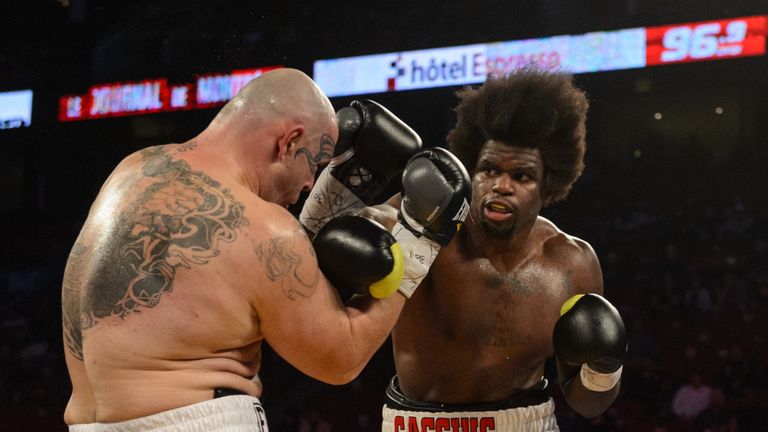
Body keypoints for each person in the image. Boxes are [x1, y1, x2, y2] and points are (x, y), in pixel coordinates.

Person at [61, 68, 471, 431]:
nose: (309, 184)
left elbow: (246, 266)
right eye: (315, 166)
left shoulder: (134, 168)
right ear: (289, 141)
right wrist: (419, 239)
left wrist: (328, 203)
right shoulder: (266, 229)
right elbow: (339, 359)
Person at [379, 67, 628, 431]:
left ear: (549, 185)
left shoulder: (572, 264)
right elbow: (376, 222)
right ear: (470, 170)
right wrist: (368, 217)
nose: (501, 186)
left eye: (522, 176)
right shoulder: (427, 227)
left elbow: (587, 404)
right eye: (489, 170)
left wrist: (604, 369)